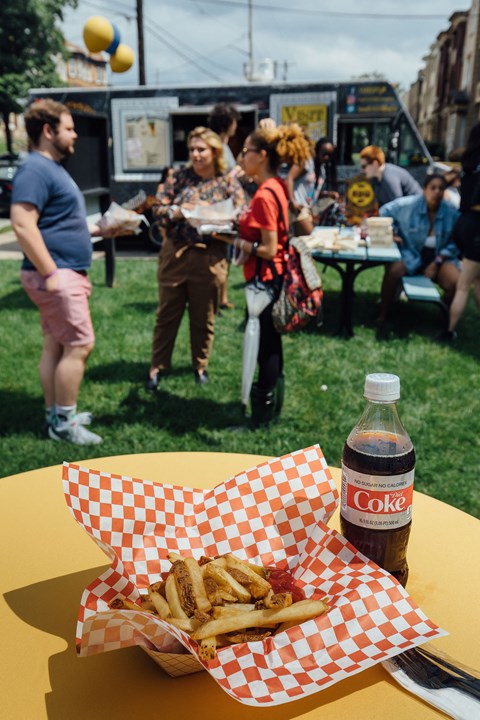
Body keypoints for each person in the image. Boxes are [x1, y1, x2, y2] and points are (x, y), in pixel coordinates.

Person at [10, 98, 105, 445]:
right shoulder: (36, 169)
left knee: (56, 344)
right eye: (68, 128)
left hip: (63, 272)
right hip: (57, 275)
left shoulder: (50, 167)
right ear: (48, 131)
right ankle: (64, 424)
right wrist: (52, 274)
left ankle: (56, 415)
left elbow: (57, 223)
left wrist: (101, 230)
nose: (75, 134)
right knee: (80, 344)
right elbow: (22, 224)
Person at [214, 123, 312, 425]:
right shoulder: (274, 187)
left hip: (265, 280)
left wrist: (233, 240)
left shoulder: (266, 194)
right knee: (270, 343)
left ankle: (262, 413)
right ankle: (270, 406)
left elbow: (269, 248)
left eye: (246, 152)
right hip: (271, 277)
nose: (242, 157)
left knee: (266, 346)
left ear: (263, 155)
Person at [146, 126, 245, 390]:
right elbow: (157, 208)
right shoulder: (178, 178)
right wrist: (178, 212)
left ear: (214, 151)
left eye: (201, 149)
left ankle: (200, 366)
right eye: (192, 149)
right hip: (176, 254)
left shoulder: (227, 181)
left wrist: (219, 218)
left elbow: (241, 215)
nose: (196, 154)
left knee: (204, 316)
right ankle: (157, 366)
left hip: (210, 256)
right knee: (167, 314)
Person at [377, 174, 460, 322]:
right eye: (433, 188)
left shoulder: (451, 212)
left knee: (455, 281)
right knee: (394, 270)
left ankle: (443, 316)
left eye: (441, 189)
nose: (437, 192)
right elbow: (383, 212)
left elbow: (457, 241)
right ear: (424, 190)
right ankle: (384, 312)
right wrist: (391, 232)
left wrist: (438, 262)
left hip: (439, 258)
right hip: (411, 254)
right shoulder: (408, 205)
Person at [446, 123, 480, 340]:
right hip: (477, 229)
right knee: (463, 286)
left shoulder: (469, 163)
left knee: (477, 281)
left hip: (465, 223)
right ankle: (449, 331)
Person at [207, 103, 242, 309]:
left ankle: (222, 298)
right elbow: (218, 175)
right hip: (218, 206)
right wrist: (237, 172)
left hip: (227, 205)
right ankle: (214, 298)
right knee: (218, 253)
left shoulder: (225, 145)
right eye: (234, 121)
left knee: (225, 253)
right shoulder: (216, 145)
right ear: (228, 122)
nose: (236, 125)